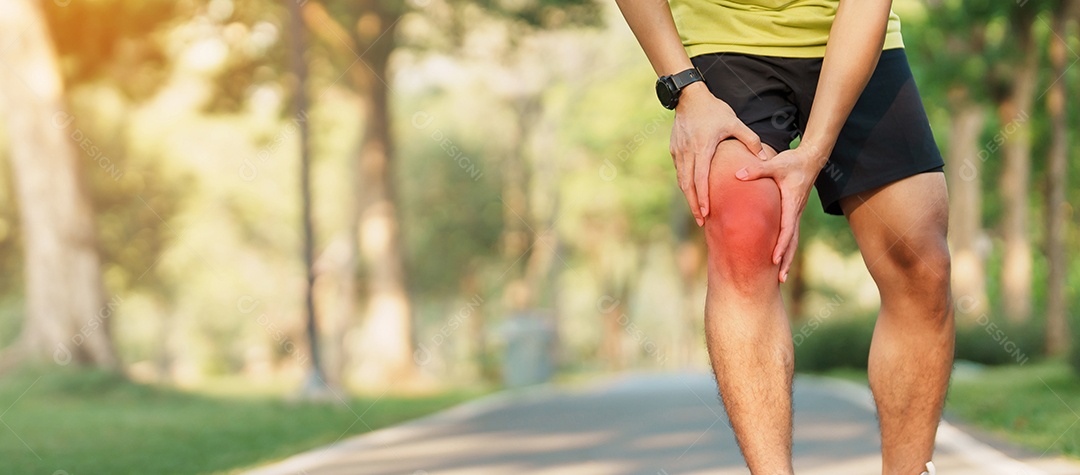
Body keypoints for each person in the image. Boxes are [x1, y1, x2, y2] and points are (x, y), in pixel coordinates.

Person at [613, 1, 954, 474]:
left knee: (922, 261)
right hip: (724, 39)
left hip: (852, 36)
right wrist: (686, 88)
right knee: (742, 224)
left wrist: (814, 153)